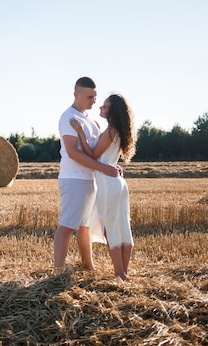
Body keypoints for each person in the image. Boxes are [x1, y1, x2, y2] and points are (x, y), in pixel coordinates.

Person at [55, 77, 122, 271]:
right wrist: (103, 169)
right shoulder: (68, 118)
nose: (94, 101)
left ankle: (88, 267)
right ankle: (58, 271)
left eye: (95, 96)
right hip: (73, 178)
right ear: (76, 95)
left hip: (89, 179)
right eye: (90, 97)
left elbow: (96, 152)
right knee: (67, 225)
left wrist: (111, 165)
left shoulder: (90, 120)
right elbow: (73, 152)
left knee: (84, 226)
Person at [70, 93, 137, 281]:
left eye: (105, 107)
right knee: (123, 225)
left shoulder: (110, 131)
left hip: (108, 184)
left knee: (110, 228)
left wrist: (81, 134)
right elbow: (106, 159)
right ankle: (124, 272)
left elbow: (91, 155)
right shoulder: (118, 131)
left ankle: (119, 273)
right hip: (118, 183)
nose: (100, 108)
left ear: (112, 111)